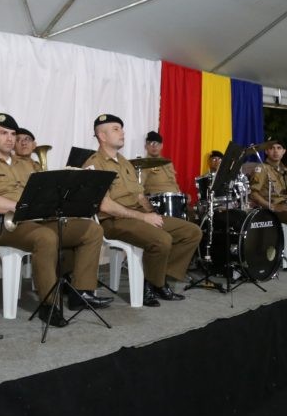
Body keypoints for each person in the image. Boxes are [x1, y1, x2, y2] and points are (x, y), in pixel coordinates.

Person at [0, 113, 111, 327]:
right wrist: (24, 206)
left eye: (12, 134)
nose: (9, 138)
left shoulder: (28, 164)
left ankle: (80, 293)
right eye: (3, 133)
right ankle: (49, 304)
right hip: (6, 226)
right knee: (46, 237)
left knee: (92, 230)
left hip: (39, 219)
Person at [83, 114, 201, 306]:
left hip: (137, 216)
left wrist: (152, 213)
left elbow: (139, 196)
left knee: (192, 232)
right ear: (102, 136)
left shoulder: (124, 162)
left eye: (121, 128)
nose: (122, 132)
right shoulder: (94, 164)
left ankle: (157, 280)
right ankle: (151, 286)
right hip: (113, 221)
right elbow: (105, 205)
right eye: (116, 129)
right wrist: (143, 217)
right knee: (162, 239)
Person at [248, 140, 287, 269]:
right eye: (272, 148)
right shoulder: (262, 168)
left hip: (286, 206)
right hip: (270, 209)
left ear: (284, 151)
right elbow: (253, 194)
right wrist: (272, 206)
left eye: (279, 148)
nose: (275, 151)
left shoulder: (285, 171)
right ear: (266, 151)